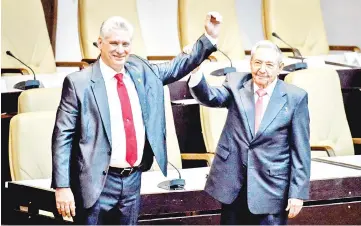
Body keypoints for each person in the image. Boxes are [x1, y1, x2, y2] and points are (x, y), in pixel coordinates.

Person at [52, 12, 222, 225]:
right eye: (113, 43)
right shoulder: (79, 82)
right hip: (95, 182)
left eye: (125, 43)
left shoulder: (141, 70)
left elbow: (178, 66)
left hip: (132, 179)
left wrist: (208, 37)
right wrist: (62, 186)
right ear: (99, 43)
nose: (120, 50)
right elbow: (62, 137)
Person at [188, 40, 311, 225]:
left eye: (269, 65)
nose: (262, 69)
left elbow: (301, 150)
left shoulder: (295, 98)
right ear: (250, 63)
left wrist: (297, 193)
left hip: (271, 190)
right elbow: (210, 97)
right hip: (234, 186)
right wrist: (196, 71)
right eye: (257, 63)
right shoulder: (236, 83)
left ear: (280, 68)